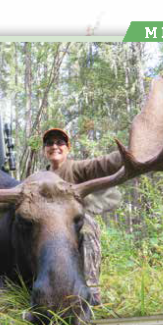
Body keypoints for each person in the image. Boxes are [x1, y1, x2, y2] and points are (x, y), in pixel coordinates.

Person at [41, 127, 123, 304]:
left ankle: (91, 292)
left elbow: (105, 163)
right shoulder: (39, 178)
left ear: (68, 148)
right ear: (44, 150)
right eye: (49, 143)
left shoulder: (77, 168)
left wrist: (129, 153)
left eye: (60, 142)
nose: (55, 146)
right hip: (50, 231)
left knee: (86, 226)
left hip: (75, 226)